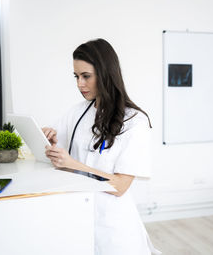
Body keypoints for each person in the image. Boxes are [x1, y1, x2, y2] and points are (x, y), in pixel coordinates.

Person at [43, 38, 160, 255]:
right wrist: (47, 141)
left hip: (114, 230)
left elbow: (120, 186)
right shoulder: (77, 112)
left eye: (86, 76)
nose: (80, 84)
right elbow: (61, 158)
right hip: (79, 220)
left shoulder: (134, 121)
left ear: (105, 73)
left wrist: (73, 163)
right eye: (76, 76)